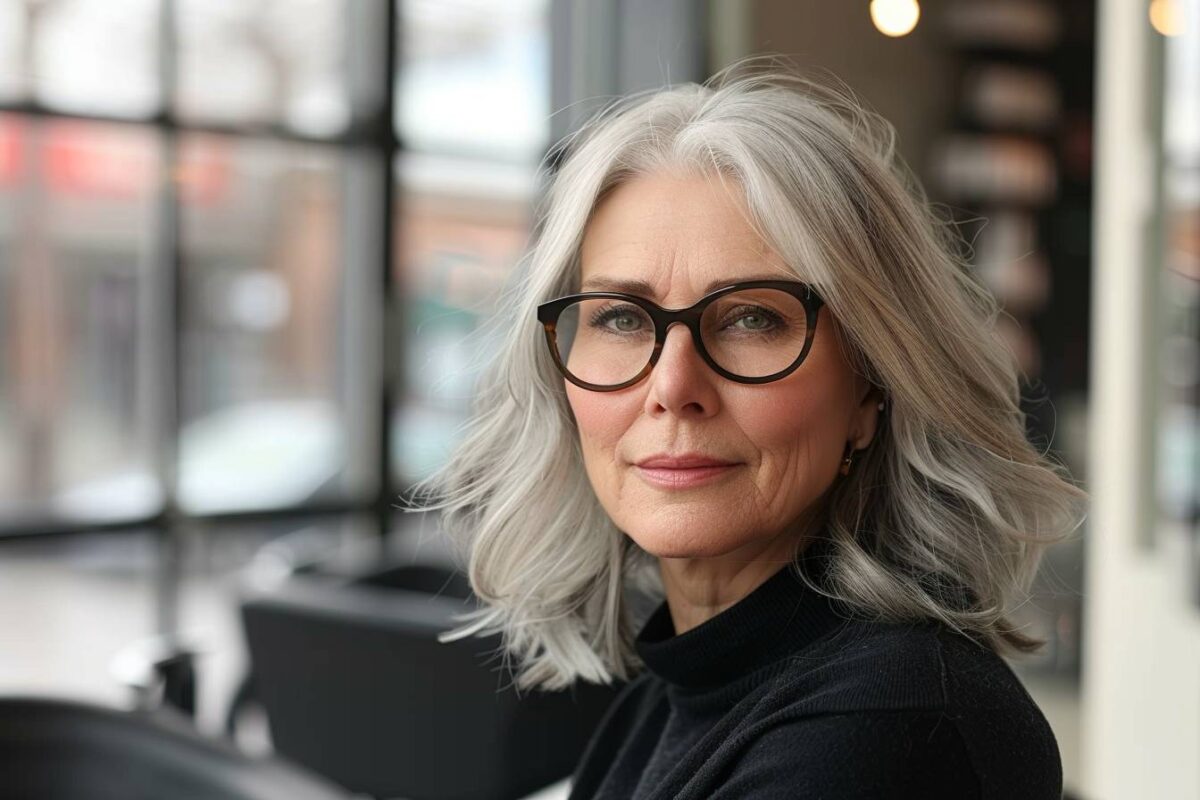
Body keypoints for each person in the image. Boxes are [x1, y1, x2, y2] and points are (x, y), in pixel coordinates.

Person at [409, 57, 1087, 799]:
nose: (672, 387)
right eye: (623, 318)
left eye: (751, 319)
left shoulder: (892, 730)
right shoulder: (674, 693)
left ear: (873, 386)